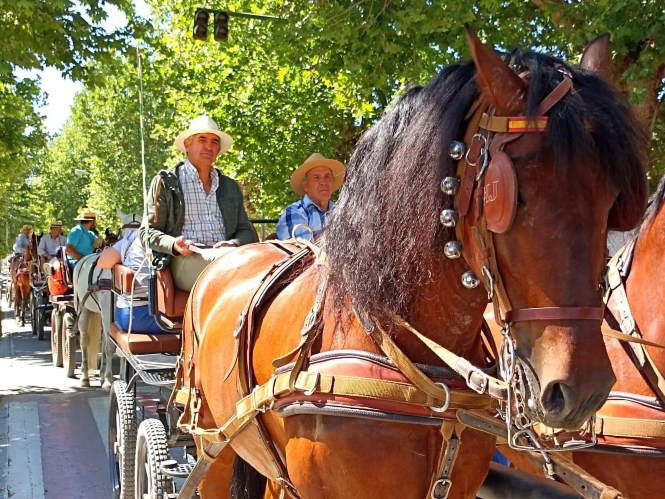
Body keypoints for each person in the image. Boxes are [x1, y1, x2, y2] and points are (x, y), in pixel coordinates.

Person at [141, 115, 256, 291]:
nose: (209, 146)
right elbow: (146, 234)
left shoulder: (230, 186)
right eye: (202, 139)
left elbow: (245, 229)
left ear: (218, 150)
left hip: (228, 256)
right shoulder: (166, 182)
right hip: (184, 260)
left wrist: (233, 243)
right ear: (187, 144)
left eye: (214, 142)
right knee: (234, 274)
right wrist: (174, 244)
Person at [98, 225, 162, 333]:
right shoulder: (161, 238)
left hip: (122, 312)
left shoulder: (132, 236)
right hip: (144, 315)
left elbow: (102, 262)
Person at [276, 153, 345, 240]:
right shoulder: (295, 211)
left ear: (333, 182)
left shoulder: (341, 212)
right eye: (316, 177)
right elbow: (303, 249)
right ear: (305, 186)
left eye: (327, 177)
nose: (323, 182)